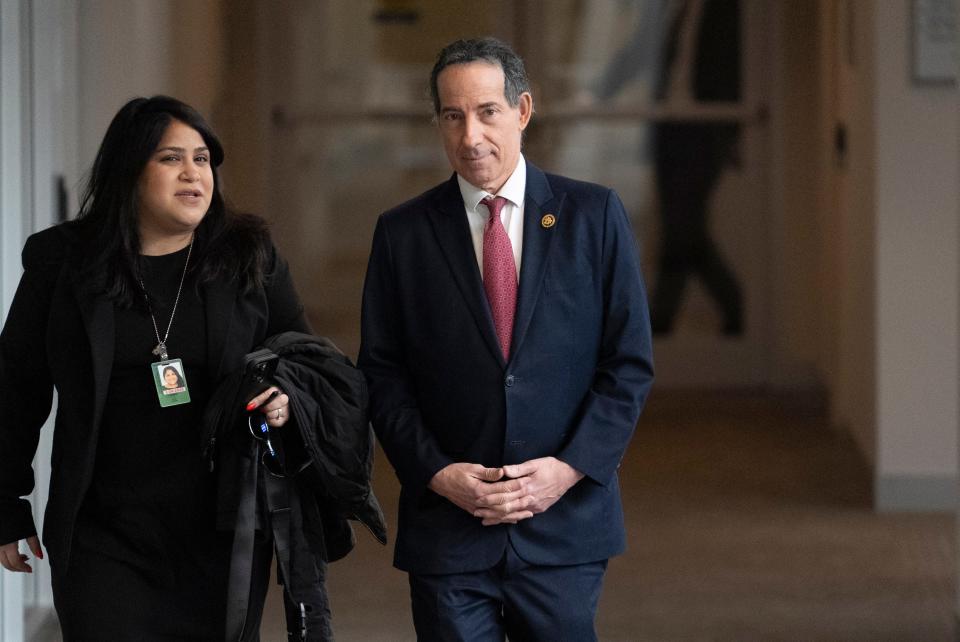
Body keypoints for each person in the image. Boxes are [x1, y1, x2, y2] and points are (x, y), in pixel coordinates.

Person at [0, 96, 381, 641]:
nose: (192, 174)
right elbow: (16, 386)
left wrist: (284, 399)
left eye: (202, 159)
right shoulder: (62, 263)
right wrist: (5, 503)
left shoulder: (248, 257)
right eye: (170, 159)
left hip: (224, 533)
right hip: (103, 535)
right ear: (129, 171)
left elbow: (305, 362)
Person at [359, 38, 654, 640]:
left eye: (487, 111)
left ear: (522, 110)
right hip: (449, 528)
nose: (471, 136)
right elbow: (383, 376)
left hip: (562, 524)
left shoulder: (593, 215)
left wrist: (567, 470)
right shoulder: (402, 234)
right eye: (453, 115)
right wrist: (438, 473)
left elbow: (628, 365)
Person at [594, 0, 744, 335]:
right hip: (668, 127)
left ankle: (659, 328)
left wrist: (735, 134)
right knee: (683, 229)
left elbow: (741, 69)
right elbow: (638, 52)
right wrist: (599, 92)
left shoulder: (730, 9)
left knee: (682, 229)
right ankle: (733, 311)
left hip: (706, 130)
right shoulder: (666, 8)